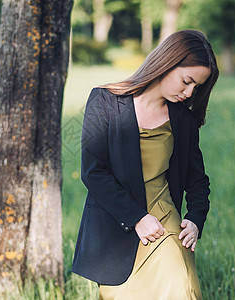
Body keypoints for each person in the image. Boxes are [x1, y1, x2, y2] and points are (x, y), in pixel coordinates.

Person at [71, 29, 219, 299]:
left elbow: (197, 180)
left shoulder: (183, 120)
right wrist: (137, 217)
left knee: (178, 287)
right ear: (168, 62)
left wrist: (196, 219)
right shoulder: (104, 101)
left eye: (196, 87)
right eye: (187, 81)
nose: (189, 92)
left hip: (165, 222)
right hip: (117, 223)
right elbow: (93, 172)